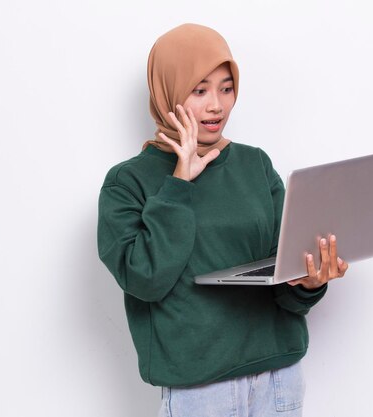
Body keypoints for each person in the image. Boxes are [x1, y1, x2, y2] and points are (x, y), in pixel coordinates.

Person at [97, 23, 349, 417]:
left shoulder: (255, 165)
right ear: (168, 90)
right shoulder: (127, 182)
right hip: (200, 390)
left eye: (226, 88)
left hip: (279, 377)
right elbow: (145, 279)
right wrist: (180, 181)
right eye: (200, 90)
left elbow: (282, 283)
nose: (217, 105)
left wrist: (310, 282)